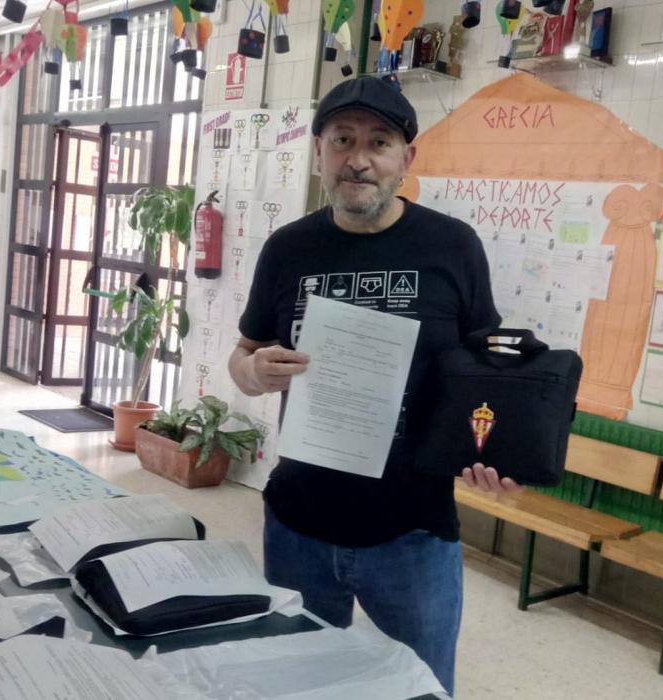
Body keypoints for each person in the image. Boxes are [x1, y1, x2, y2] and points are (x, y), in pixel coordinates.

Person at [227, 75, 520, 695]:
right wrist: (252, 373)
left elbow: (484, 376)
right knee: (299, 686)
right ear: (319, 152)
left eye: (378, 142)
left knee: (421, 689)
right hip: (298, 524)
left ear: (406, 158)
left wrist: (491, 451)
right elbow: (244, 355)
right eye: (342, 140)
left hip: (413, 529)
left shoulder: (452, 246)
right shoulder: (287, 249)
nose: (358, 159)